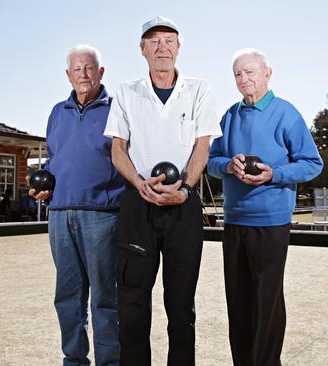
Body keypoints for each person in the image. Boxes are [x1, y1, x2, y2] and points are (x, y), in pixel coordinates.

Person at [103, 16, 221, 366]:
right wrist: (139, 184)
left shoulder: (201, 89)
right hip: (138, 204)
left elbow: (202, 147)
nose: (162, 47)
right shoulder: (127, 91)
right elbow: (117, 149)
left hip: (183, 205)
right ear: (142, 50)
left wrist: (185, 188)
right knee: (133, 302)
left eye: (169, 40)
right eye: (153, 41)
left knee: (181, 304)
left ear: (179, 46)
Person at [207, 48, 324, 366]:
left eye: (250, 72)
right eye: (237, 74)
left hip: (271, 221)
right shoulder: (229, 116)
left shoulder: (287, 114)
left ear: (267, 74)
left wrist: (276, 174)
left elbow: (312, 164)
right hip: (234, 221)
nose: (243, 79)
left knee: (266, 300)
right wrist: (227, 166)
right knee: (238, 301)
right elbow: (210, 161)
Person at [30, 44, 125, 366]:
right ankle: (74, 360)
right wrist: (44, 186)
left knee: (104, 298)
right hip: (59, 214)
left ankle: (109, 362)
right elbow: (55, 159)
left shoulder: (118, 110)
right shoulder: (58, 112)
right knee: (67, 297)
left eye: (89, 68)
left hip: (102, 215)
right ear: (68, 74)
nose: (83, 74)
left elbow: (128, 159)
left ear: (100, 72)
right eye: (76, 69)